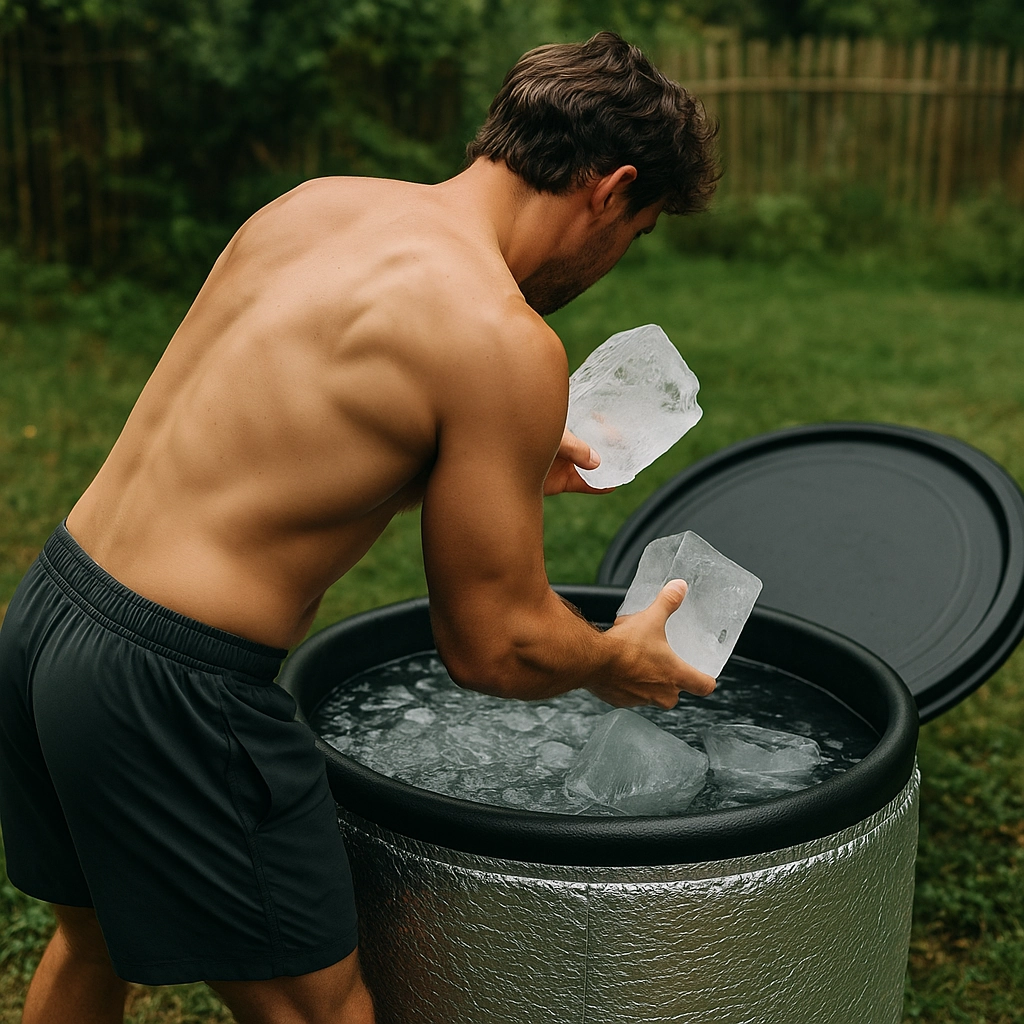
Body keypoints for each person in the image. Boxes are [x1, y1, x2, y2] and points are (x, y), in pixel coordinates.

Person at [0, 30, 718, 1024]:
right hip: (171, 689)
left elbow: (286, 445)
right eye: (632, 232)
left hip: (52, 614)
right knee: (321, 1011)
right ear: (610, 189)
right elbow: (493, 646)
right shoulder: (501, 338)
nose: (611, 261)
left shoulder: (320, 205)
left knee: (94, 942)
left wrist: (486, 470)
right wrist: (611, 658)